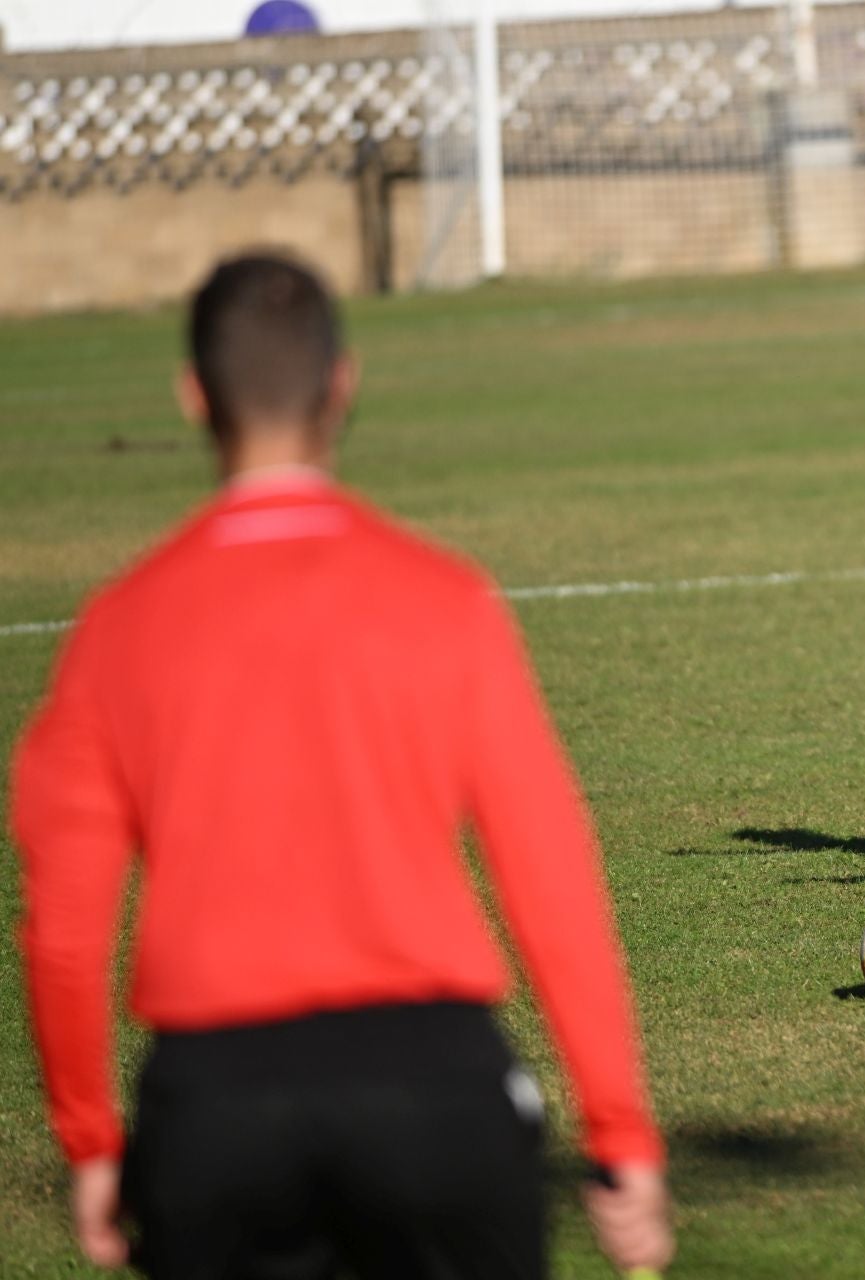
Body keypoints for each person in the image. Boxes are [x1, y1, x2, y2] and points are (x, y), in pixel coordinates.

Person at [10, 252, 675, 1276]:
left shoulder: (116, 629)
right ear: (343, 385)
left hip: (216, 1105)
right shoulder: (445, 600)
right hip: (433, 1091)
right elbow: (549, 875)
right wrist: (619, 1130)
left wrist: (93, 1140)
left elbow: (62, 927)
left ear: (194, 396)